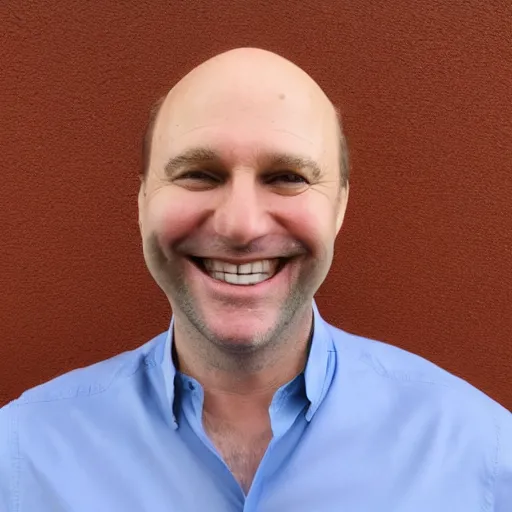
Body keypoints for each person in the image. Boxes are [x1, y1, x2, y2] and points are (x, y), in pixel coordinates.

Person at [0, 48, 510, 512]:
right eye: (198, 174)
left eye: (288, 177)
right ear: (141, 204)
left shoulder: (480, 454)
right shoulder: (21, 458)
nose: (240, 225)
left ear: (339, 207)